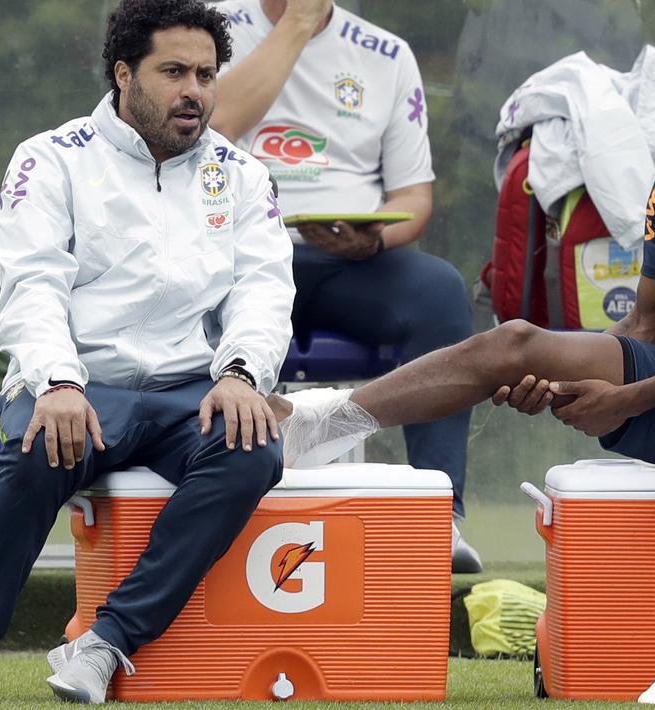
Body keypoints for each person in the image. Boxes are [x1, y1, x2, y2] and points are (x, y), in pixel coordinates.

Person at [275, 18, 655, 706]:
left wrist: (627, 400)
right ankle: (330, 423)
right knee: (514, 341)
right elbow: (647, 324)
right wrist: (555, 379)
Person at [0, 0, 294, 703]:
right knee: (40, 446)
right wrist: (60, 383)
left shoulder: (241, 174)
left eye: (207, 75)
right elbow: (31, 285)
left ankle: (105, 643)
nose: (195, 91)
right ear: (123, 75)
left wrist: (243, 371)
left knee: (254, 449)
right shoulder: (51, 158)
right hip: (80, 382)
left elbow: (263, 289)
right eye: (174, 72)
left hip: (190, 388)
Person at [207, 0, 481, 571]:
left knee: (439, 291)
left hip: (346, 261)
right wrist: (299, 24)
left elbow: (412, 200)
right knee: (189, 296)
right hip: (237, 250)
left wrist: (373, 239)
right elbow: (218, 123)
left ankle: (440, 514)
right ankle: (213, 494)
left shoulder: (386, 53)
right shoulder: (210, 27)